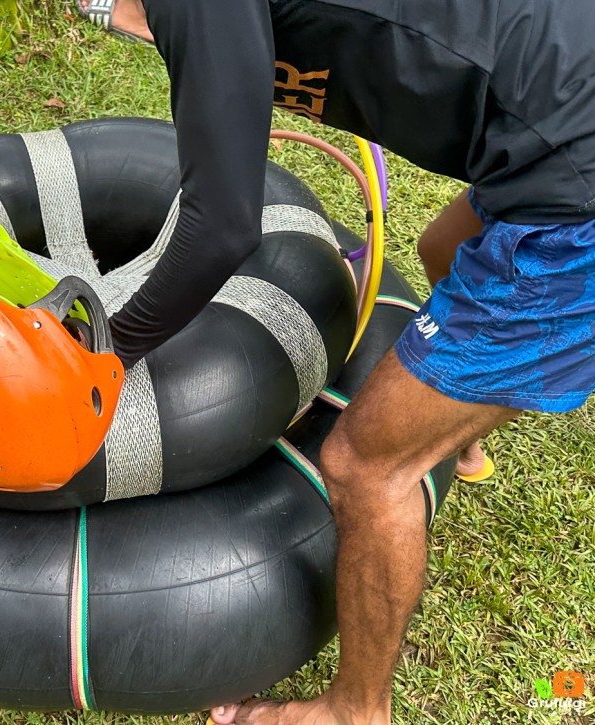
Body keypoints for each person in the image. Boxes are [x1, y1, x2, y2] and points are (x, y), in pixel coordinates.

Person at [76, 1, 595, 723]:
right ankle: (459, 424)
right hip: (556, 102)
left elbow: (222, 224)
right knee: (442, 252)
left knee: (366, 466)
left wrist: (109, 348)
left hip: (574, 187)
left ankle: (354, 710)